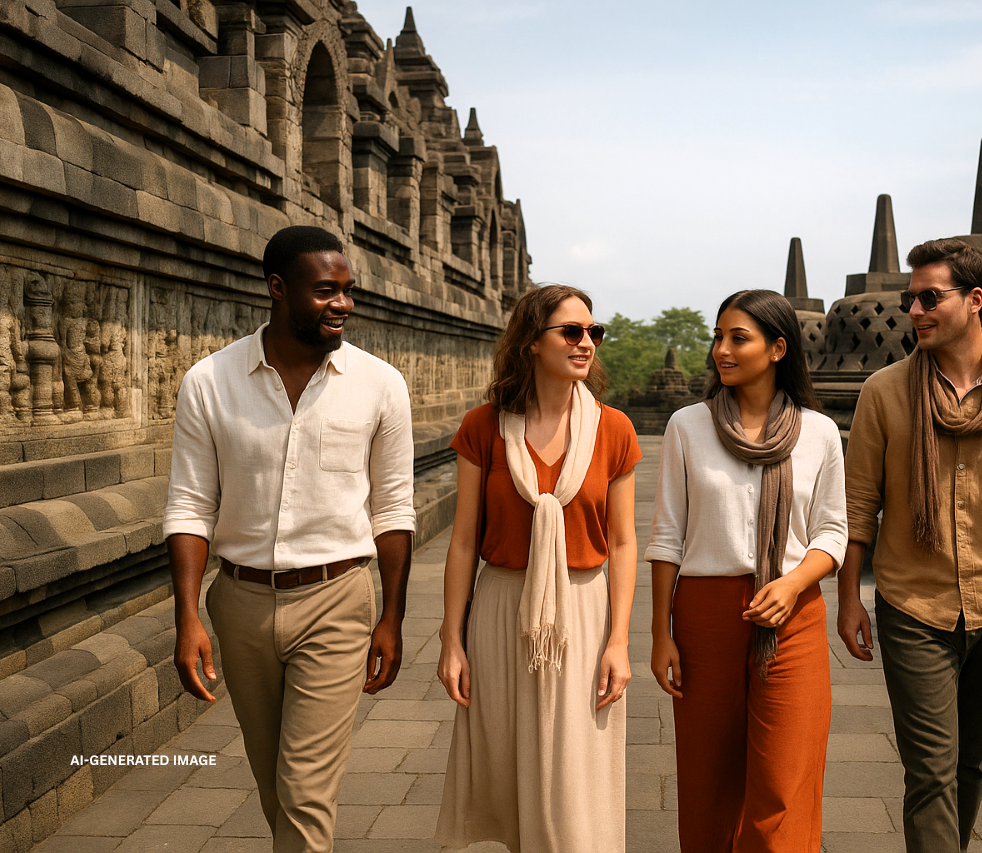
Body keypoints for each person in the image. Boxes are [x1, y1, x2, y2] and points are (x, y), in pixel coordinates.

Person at [165, 225, 415, 853]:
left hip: (338, 599)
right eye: (326, 291)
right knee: (275, 787)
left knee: (304, 791)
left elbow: (393, 508)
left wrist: (393, 616)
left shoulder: (381, 384)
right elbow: (191, 506)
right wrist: (187, 617)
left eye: (347, 291)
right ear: (277, 290)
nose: (343, 304)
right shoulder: (210, 382)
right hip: (241, 604)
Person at [837, 238, 982, 853]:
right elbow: (858, 506)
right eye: (910, 298)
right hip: (913, 603)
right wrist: (848, 599)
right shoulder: (884, 392)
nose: (915, 309)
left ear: (974, 300)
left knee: (971, 768)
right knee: (931, 775)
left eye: (929, 297)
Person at [435, 284, 641, 853]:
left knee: (575, 775)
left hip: (583, 608)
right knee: (507, 763)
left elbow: (624, 544)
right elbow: (461, 542)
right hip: (502, 609)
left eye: (593, 333)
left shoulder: (614, 429)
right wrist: (452, 641)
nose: (586, 343)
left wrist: (619, 641)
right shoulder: (484, 427)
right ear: (530, 342)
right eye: (571, 332)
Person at [647, 289, 848, 852]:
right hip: (705, 616)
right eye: (718, 337)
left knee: (785, 780)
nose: (721, 350)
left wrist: (792, 583)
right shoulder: (689, 426)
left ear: (778, 348)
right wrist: (660, 634)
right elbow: (667, 537)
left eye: (739, 338)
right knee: (708, 779)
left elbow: (833, 531)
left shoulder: (818, 432)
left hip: (792, 613)